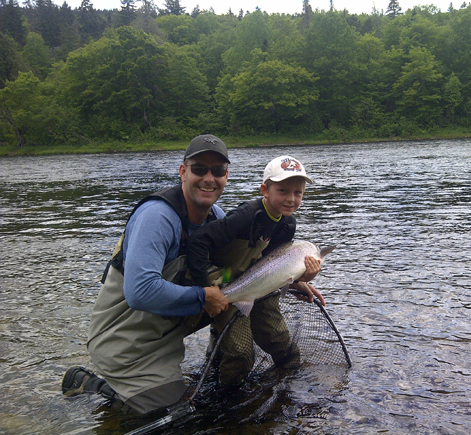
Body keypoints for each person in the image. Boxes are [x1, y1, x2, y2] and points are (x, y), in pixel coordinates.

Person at [61, 134, 231, 415]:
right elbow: (140, 292)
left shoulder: (217, 218)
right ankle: (92, 385)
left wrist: (290, 277)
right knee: (174, 415)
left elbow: (233, 272)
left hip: (164, 330)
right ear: (183, 172)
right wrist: (203, 296)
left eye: (218, 171)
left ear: (226, 175)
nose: (209, 178)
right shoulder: (158, 216)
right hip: (126, 342)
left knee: (230, 283)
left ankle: (213, 357)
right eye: (199, 169)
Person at [186, 155, 325, 386]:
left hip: (257, 283)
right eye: (283, 191)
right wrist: (207, 290)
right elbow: (197, 242)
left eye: (297, 193)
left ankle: (286, 389)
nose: (290, 199)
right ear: (265, 190)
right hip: (225, 279)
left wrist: (300, 280)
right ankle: (225, 399)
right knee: (241, 354)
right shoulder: (244, 216)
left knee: (280, 340)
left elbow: (275, 266)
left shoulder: (288, 224)